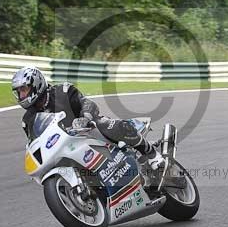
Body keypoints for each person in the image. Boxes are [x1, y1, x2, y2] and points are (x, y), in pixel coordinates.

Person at [12, 66, 165, 168]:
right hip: (67, 147)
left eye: (24, 90)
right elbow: (36, 143)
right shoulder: (28, 120)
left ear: (36, 84)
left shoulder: (62, 91)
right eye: (18, 92)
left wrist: (85, 117)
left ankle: (151, 153)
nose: (21, 95)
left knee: (109, 126)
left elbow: (86, 102)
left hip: (90, 130)